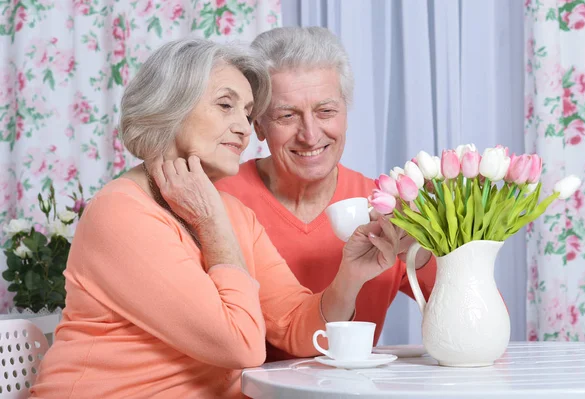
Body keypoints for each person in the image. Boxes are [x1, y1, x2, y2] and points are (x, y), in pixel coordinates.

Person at [30, 38, 401, 398]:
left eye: (247, 112)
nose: (243, 128)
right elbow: (241, 346)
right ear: (170, 106)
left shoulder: (232, 213)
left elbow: (295, 327)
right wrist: (213, 225)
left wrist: (350, 277)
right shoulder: (121, 212)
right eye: (226, 105)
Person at [215, 26, 437, 361]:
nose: (309, 134)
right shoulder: (217, 200)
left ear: (346, 114)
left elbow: (475, 329)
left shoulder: (388, 206)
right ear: (257, 125)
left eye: (326, 111)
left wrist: (420, 254)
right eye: (287, 115)